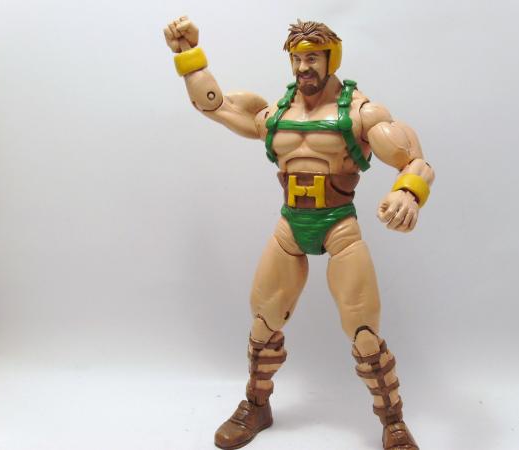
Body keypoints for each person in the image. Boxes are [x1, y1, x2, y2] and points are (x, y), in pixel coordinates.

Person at [163, 17, 435, 450]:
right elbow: (215, 105)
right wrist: (188, 56)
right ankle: (256, 404)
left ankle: (393, 421)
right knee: (263, 323)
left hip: (339, 226)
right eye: (297, 59)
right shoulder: (276, 114)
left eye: (312, 58)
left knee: (364, 330)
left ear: (331, 59)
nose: (303, 67)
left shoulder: (360, 114)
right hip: (291, 226)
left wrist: (408, 192)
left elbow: (415, 159)